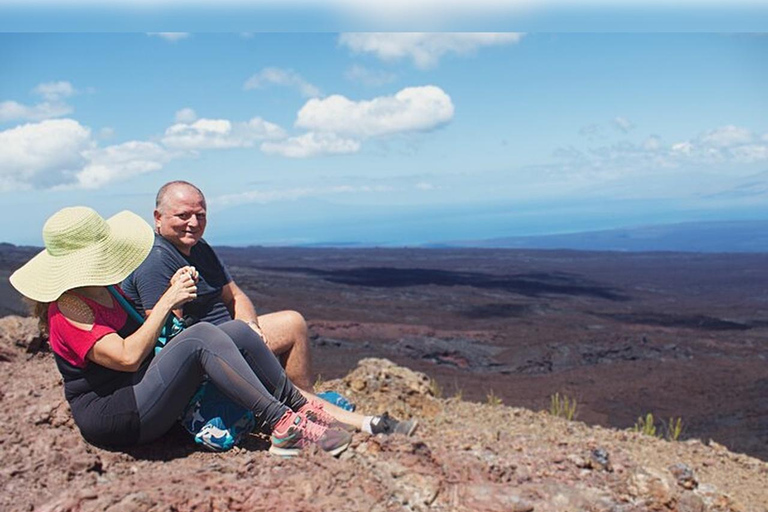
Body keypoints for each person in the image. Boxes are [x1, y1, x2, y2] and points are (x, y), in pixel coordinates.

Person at [10, 206, 352, 456]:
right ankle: (283, 426)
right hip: (118, 414)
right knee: (201, 336)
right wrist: (167, 300)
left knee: (237, 331)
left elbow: (149, 339)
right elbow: (128, 358)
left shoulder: (104, 288)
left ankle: (298, 407)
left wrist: (170, 295)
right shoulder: (68, 309)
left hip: (142, 392)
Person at [123, 180, 417, 436]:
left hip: (233, 336)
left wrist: (249, 327)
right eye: (183, 215)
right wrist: (235, 345)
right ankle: (362, 423)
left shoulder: (199, 249)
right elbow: (169, 340)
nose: (193, 223)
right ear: (158, 218)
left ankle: (309, 401)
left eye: (200, 215)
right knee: (276, 385)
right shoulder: (157, 261)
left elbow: (236, 296)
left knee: (292, 322)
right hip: (208, 353)